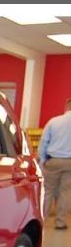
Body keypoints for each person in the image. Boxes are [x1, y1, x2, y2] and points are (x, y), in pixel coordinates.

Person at [39, 98, 71, 230]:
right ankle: (60, 222)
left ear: (66, 106)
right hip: (69, 162)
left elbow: (44, 141)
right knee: (65, 192)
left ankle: (42, 220)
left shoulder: (54, 121)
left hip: (53, 161)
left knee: (48, 191)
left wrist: (42, 160)